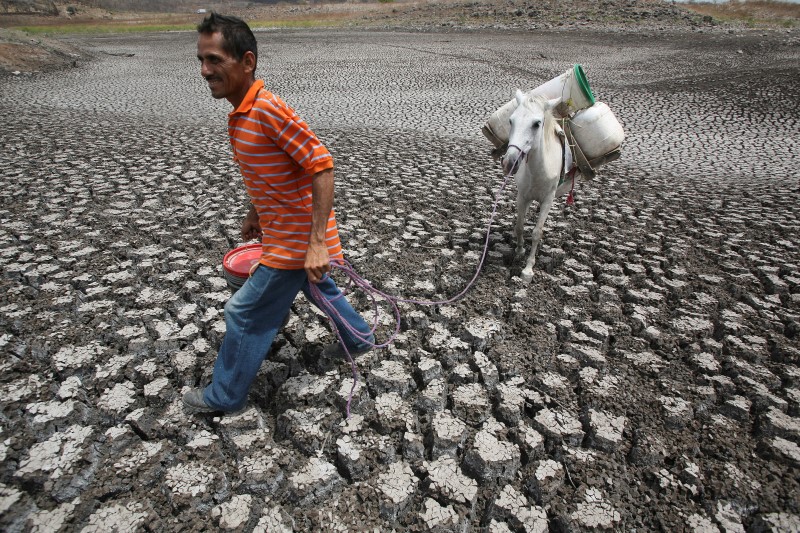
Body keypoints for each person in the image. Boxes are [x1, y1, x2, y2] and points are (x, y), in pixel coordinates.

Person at [183, 13, 374, 413]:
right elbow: (269, 172)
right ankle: (359, 338)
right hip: (283, 234)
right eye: (201, 60)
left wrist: (317, 245)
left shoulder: (268, 110)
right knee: (320, 289)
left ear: (247, 61)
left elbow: (321, 164)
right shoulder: (241, 115)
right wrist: (255, 211)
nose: (205, 70)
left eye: (215, 59)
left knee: (244, 312)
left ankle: (224, 396)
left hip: (296, 241)